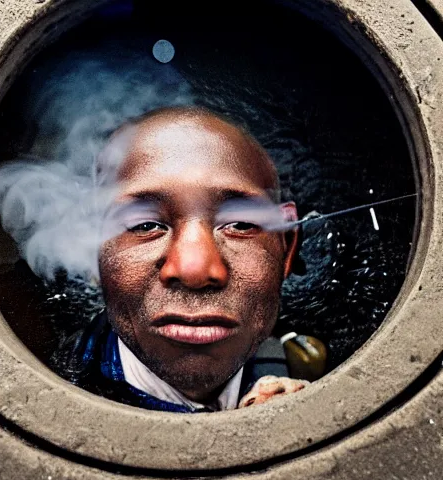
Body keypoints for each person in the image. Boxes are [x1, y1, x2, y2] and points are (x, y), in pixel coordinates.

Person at [51, 106, 312, 412]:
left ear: (287, 248)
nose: (194, 270)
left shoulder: (303, 369)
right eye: (144, 225)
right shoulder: (52, 394)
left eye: (240, 223)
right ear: (91, 252)